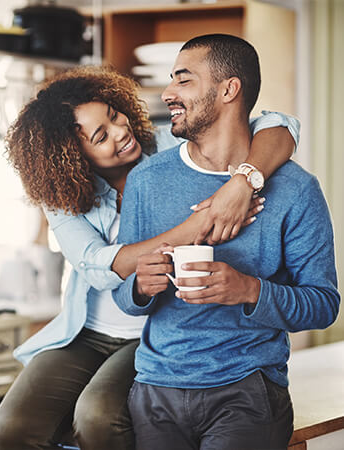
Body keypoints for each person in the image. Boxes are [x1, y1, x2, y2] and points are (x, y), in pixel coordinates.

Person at [0, 65, 300, 450]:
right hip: (87, 332)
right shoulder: (62, 196)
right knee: (11, 429)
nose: (121, 132)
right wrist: (206, 218)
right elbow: (100, 266)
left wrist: (242, 182)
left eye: (115, 116)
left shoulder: (173, 148)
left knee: (98, 416)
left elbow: (279, 125)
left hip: (154, 332)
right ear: (70, 158)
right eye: (101, 136)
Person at [112, 34, 340, 450]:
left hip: (247, 390)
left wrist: (248, 290)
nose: (167, 94)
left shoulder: (296, 190)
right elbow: (124, 297)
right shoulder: (147, 180)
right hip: (155, 391)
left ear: (228, 90)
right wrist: (140, 286)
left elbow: (324, 304)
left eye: (184, 81)